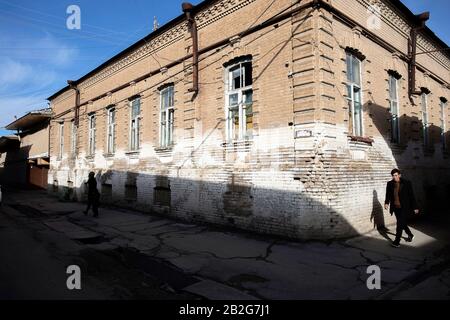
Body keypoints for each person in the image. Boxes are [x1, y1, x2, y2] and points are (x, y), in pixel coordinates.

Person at [384, 169, 419, 247]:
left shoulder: (406, 183)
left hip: (404, 207)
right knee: (402, 223)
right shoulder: (390, 184)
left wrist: (415, 207)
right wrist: (386, 203)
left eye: (396, 175)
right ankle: (410, 235)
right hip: (396, 207)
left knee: (399, 224)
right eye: (393, 176)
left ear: (399, 175)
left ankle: (397, 241)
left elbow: (411, 196)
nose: (394, 177)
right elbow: (388, 194)